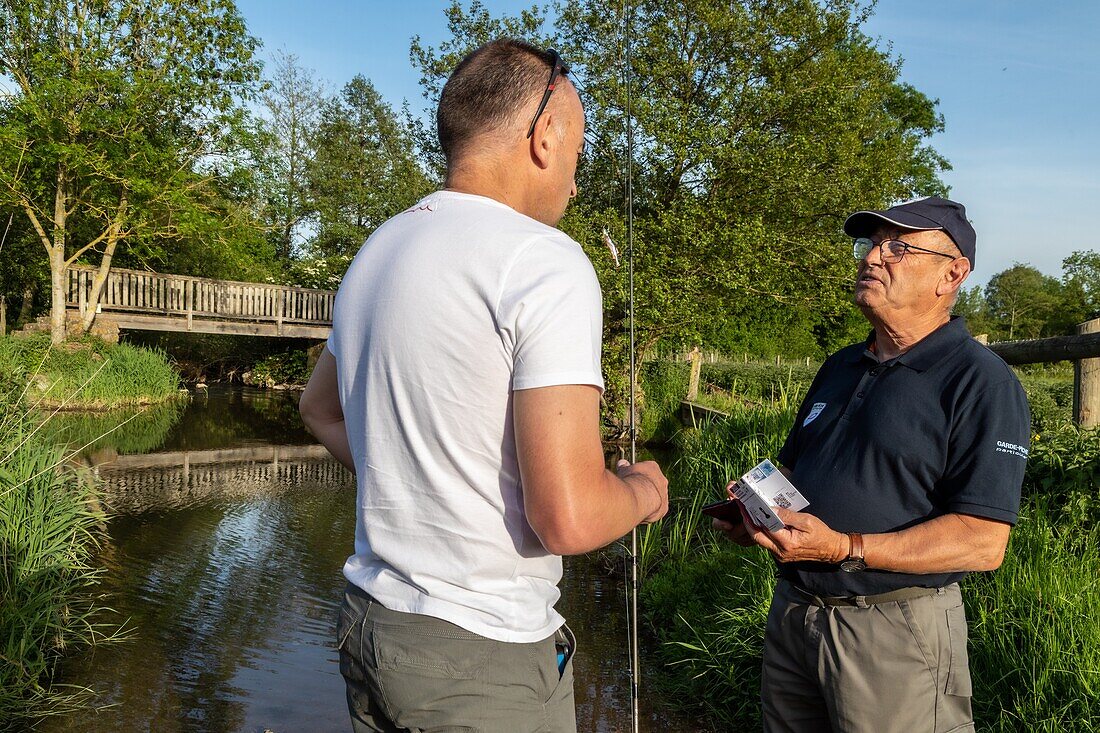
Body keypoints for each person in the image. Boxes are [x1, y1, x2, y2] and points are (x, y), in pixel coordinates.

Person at [299, 38, 669, 733]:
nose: (576, 183)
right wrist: (646, 491)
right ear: (546, 134)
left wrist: (411, 478)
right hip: (483, 661)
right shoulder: (545, 262)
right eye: (578, 155)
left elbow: (318, 411)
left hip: (373, 631)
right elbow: (567, 517)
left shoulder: (379, 248)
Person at [715, 196, 1030, 733]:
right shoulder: (840, 365)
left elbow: (983, 540)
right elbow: (797, 469)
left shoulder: (980, 381)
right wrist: (759, 508)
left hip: (894, 627)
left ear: (952, 274)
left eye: (898, 247)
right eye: (870, 244)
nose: (873, 257)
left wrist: (845, 548)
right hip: (796, 611)